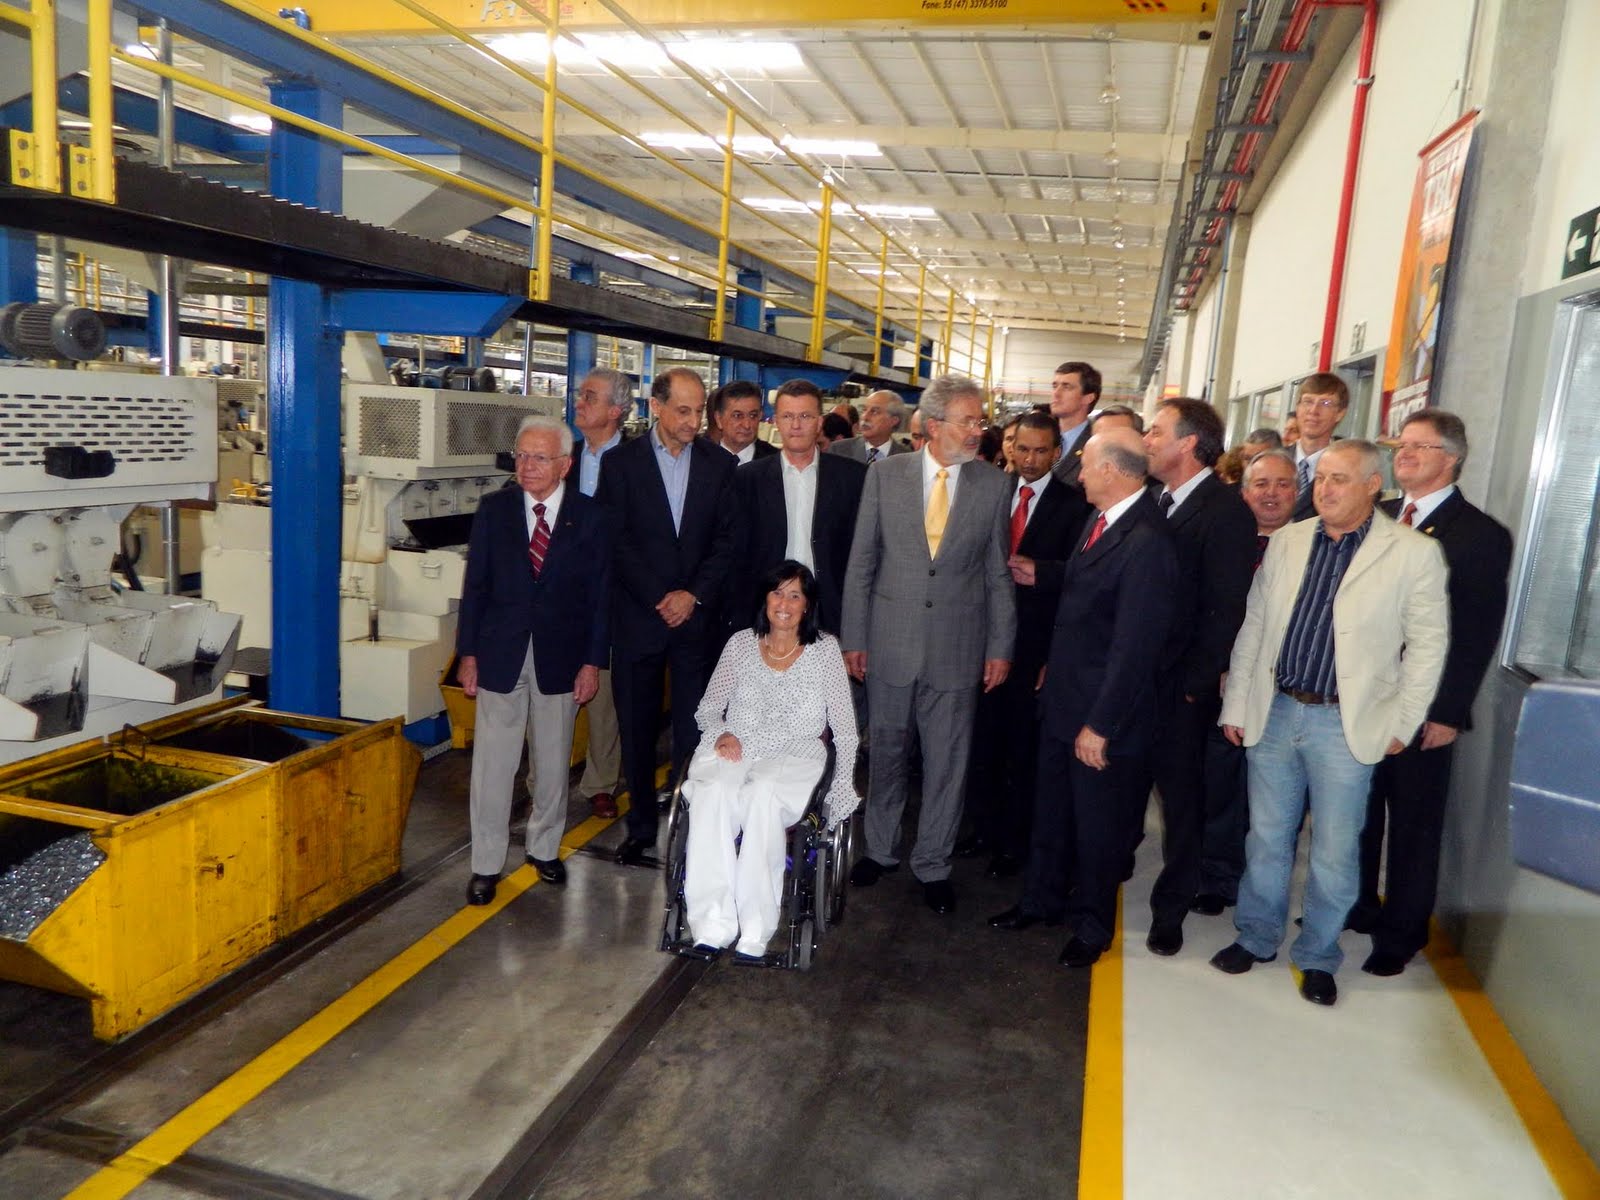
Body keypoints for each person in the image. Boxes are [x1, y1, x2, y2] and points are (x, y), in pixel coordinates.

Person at [1215, 440, 1448, 1007]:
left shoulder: (1412, 553)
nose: (1325, 489)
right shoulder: (1289, 541)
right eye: (1320, 478)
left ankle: (1318, 955)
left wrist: (1404, 722)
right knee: (1266, 838)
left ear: (1372, 484)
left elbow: (1428, 646)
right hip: (1276, 711)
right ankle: (1257, 936)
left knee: (1335, 851)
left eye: (1340, 479)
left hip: (1345, 723)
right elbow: (1254, 626)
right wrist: (1237, 703)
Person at [989, 427, 1177, 967]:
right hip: (1065, 696)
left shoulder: (1147, 541)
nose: (1079, 475)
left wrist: (1101, 725)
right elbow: (1087, 595)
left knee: (1098, 827)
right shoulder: (1103, 520)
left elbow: (1135, 648)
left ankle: (1092, 928)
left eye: (1087, 465)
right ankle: (1040, 900)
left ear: (1113, 471)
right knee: (1051, 810)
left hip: (1099, 714)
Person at [841, 374, 1015, 916]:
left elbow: (997, 573)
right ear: (934, 426)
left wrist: (1000, 646)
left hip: (958, 649)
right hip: (890, 643)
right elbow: (862, 562)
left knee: (947, 764)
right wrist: (854, 637)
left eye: (980, 421)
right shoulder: (886, 476)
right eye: (968, 421)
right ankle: (880, 849)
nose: (977, 431)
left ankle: (933, 863)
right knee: (887, 754)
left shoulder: (993, 485)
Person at [1353, 411, 1512, 976]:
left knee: (1413, 824)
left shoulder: (1479, 535)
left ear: (1452, 458)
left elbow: (1476, 633)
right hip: (1365, 697)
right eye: (1402, 445)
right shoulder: (1379, 516)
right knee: (1358, 811)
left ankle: (1401, 933)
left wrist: (1446, 711)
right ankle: (1358, 904)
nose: (1406, 454)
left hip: (1424, 708)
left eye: (1421, 446)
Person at [457, 415, 611, 905]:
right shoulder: (494, 510)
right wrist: (468, 654)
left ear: (564, 464)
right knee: (492, 767)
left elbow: (600, 598)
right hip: (499, 652)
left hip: (561, 658)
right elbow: (475, 586)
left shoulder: (590, 517)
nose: (526, 466)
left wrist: (592, 663)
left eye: (538, 458)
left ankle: (543, 849)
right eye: (521, 456)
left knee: (552, 760)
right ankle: (485, 863)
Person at [596, 367, 737, 866]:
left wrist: (692, 595)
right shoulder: (621, 464)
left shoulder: (720, 465)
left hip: (696, 621)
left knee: (693, 729)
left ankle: (688, 823)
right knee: (636, 730)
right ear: (655, 407)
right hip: (640, 618)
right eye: (683, 410)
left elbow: (727, 541)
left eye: (699, 411)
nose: (693, 421)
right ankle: (639, 827)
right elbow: (616, 540)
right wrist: (662, 596)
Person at [682, 562, 860, 959]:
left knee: (762, 796)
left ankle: (755, 930)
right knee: (713, 793)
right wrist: (721, 733)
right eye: (777, 593)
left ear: (807, 605)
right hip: (737, 745)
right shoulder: (741, 644)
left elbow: (845, 730)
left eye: (795, 595)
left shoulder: (825, 650)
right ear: (764, 599)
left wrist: (842, 784)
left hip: (795, 752)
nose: (784, 603)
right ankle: (711, 924)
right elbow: (709, 708)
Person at [1142, 397, 1258, 957]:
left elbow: (1226, 607)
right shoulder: (1153, 499)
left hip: (1181, 691)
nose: (1146, 440)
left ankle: (1171, 912)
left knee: (1182, 806)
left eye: (1156, 431)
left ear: (1187, 443)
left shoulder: (1226, 511)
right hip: (1137, 681)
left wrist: (1195, 684)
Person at [963, 412, 1089, 876]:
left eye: (1040, 451)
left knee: (1022, 749)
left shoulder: (1075, 506)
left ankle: (1014, 843)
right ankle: (980, 829)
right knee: (981, 742)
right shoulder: (990, 494)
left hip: (1034, 647)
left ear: (1057, 453)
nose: (1030, 460)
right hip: (979, 640)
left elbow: (1082, 580)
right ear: (1010, 448)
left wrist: (1045, 575)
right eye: (1023, 450)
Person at [1192, 447, 1301, 915]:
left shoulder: (1312, 547)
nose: (1271, 494)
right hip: (1221, 686)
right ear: (1243, 491)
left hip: (1285, 693)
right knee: (1220, 787)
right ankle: (1217, 878)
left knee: (1274, 800)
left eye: (1283, 485)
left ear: (1298, 493)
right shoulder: (1224, 541)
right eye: (1261, 484)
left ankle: (1263, 885)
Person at [731, 378, 866, 636]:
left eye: (805, 416)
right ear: (775, 421)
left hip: (830, 610)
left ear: (819, 422)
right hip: (766, 610)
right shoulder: (747, 479)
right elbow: (737, 554)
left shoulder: (853, 478)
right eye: (787, 416)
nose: (795, 425)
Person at [570, 367, 631, 820]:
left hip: (615, 592)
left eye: (589, 396)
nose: (579, 402)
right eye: (580, 394)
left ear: (616, 410)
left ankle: (600, 782)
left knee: (604, 694)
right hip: (563, 592)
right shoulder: (565, 457)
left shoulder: (636, 463)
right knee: (553, 687)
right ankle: (543, 779)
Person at [1288, 375, 1348, 520]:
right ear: (1297, 408)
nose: (1313, 410)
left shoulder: (1349, 469)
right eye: (1307, 401)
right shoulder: (1274, 461)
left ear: (1340, 413)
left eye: (1325, 403)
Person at [1048, 360, 1101, 486]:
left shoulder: (1098, 446)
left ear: (1088, 398)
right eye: (1055, 386)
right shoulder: (1043, 437)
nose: (1056, 393)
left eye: (1066, 387)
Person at [829, 390, 909, 464]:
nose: (865, 417)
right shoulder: (838, 450)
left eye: (874, 411)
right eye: (864, 410)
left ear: (893, 421)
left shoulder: (907, 458)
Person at [708, 379, 776, 465]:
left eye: (753, 416)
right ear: (719, 419)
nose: (747, 425)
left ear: (760, 416)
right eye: (738, 416)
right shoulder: (701, 460)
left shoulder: (777, 462)